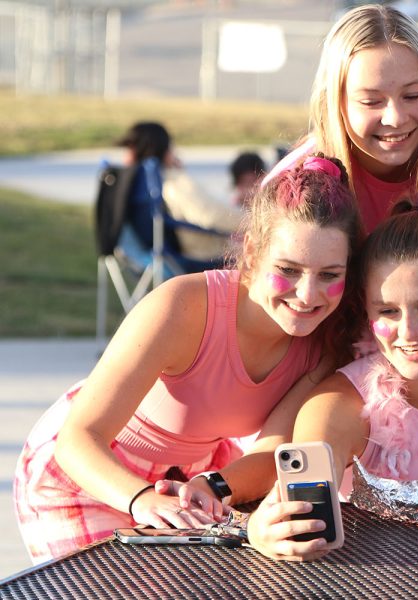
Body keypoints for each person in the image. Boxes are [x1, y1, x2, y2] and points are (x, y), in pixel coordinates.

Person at [14, 155, 364, 563]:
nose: (307, 295)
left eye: (329, 275)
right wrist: (141, 498)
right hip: (88, 475)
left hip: (188, 482)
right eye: (288, 269)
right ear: (251, 252)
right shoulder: (182, 306)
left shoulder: (322, 344)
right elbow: (77, 441)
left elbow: (268, 454)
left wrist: (212, 486)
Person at [246, 192, 418, 562]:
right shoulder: (343, 400)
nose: (408, 331)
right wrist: (264, 528)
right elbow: (307, 483)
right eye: (388, 311)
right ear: (366, 307)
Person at [263, 4, 418, 232]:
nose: (396, 118)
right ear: (334, 102)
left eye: (413, 95)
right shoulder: (294, 187)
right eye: (371, 101)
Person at [117, 121, 244, 265]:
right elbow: (212, 215)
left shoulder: (139, 185)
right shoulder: (173, 183)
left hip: (163, 257)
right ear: (165, 150)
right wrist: (259, 223)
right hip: (205, 258)